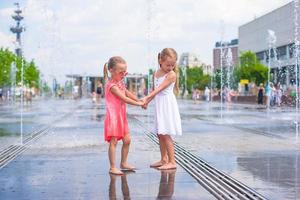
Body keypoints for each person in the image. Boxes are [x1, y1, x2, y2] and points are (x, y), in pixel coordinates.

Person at [104, 56, 144, 175]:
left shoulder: (120, 82)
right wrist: (139, 104)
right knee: (114, 141)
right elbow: (124, 98)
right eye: (121, 72)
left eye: (125, 72)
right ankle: (112, 167)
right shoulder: (112, 86)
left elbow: (127, 93)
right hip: (114, 117)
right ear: (111, 71)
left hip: (121, 116)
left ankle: (123, 163)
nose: (123, 75)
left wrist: (139, 100)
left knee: (127, 140)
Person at [143, 48, 182, 170]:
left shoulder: (171, 75)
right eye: (168, 65)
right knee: (160, 133)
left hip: (167, 105)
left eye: (172, 65)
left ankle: (172, 161)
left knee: (165, 133)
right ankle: (163, 159)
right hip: (159, 104)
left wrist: (146, 98)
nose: (170, 67)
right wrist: (147, 102)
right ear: (160, 60)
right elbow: (154, 91)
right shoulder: (156, 73)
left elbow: (159, 89)